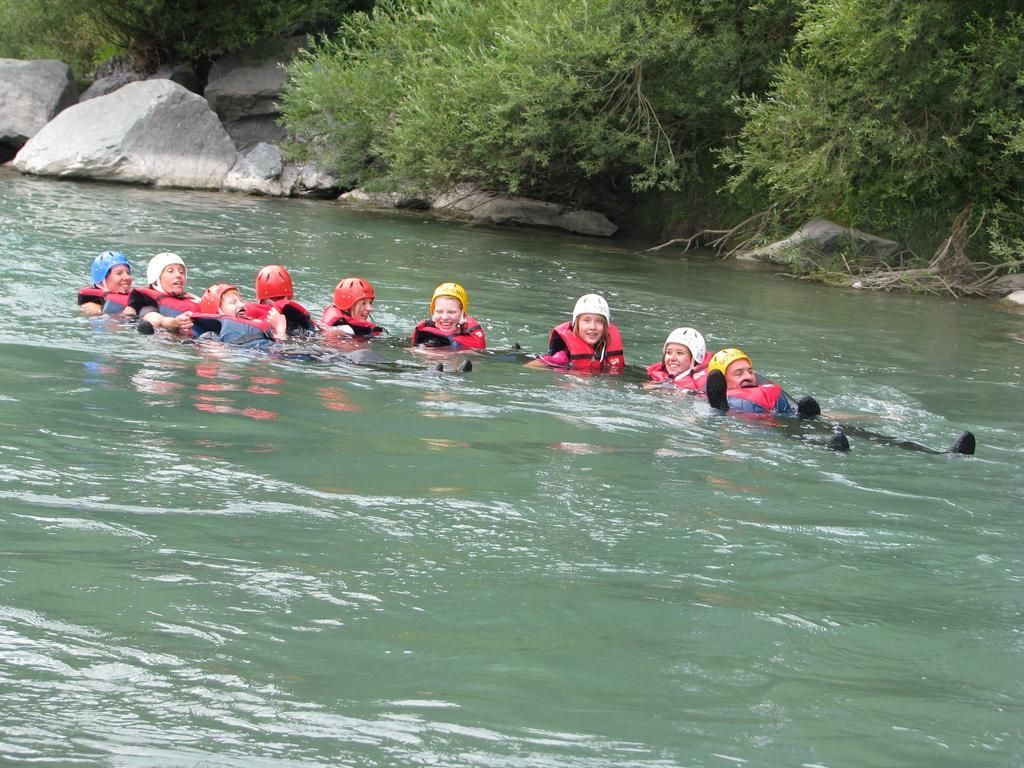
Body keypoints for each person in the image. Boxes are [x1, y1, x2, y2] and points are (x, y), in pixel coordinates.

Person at [703, 347, 819, 417]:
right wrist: (720, 409)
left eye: (750, 371)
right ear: (721, 381)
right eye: (738, 373)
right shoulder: (712, 401)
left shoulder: (770, 390)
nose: (748, 376)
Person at [529, 293, 624, 373]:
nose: (593, 327)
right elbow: (531, 366)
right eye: (586, 320)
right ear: (576, 324)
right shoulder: (563, 356)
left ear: (606, 326)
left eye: (599, 321)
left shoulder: (605, 350)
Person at [190, 283, 286, 346]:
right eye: (233, 302)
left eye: (240, 301)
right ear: (218, 312)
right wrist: (280, 330)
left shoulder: (251, 323)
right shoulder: (211, 337)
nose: (242, 304)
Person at [129, 252, 199, 333]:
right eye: (170, 271)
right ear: (155, 280)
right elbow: (149, 316)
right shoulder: (145, 299)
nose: (178, 275)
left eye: (181, 271)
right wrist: (172, 322)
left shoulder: (193, 298)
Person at [244, 264, 317, 336]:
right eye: (275, 299)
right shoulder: (300, 325)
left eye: (280, 299)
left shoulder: (249, 322)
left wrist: (279, 330)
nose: (279, 303)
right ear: (289, 297)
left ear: (261, 300)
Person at [411, 281, 486, 349]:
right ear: (433, 311)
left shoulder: (471, 338)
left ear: (462, 313)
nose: (444, 317)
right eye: (439, 312)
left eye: (451, 312)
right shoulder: (424, 334)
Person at [645, 327, 710, 390]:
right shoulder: (650, 377)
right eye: (669, 352)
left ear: (695, 359)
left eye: (680, 353)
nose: (672, 358)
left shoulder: (708, 385)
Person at [78, 250, 136, 316]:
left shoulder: (138, 297)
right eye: (119, 273)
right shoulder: (91, 307)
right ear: (102, 281)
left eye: (128, 273)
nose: (127, 277)